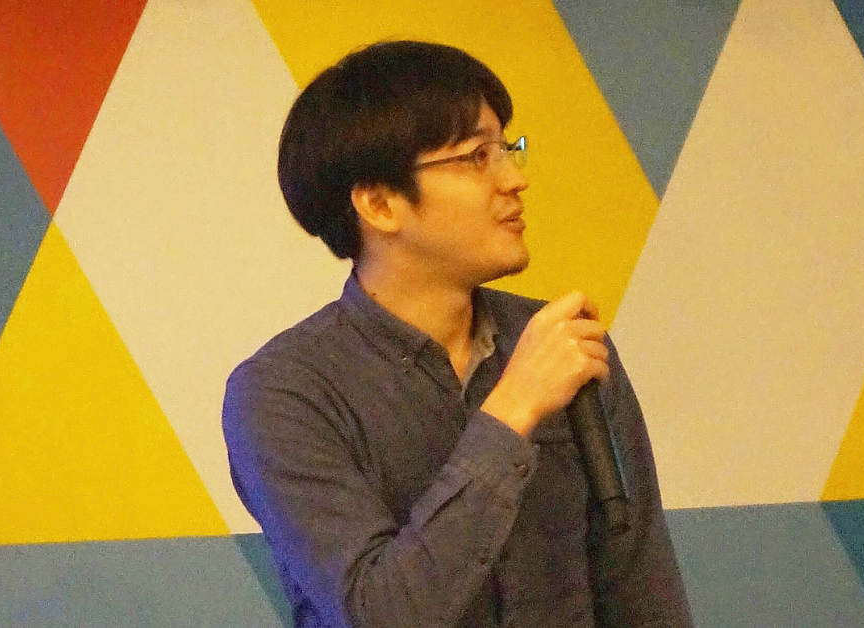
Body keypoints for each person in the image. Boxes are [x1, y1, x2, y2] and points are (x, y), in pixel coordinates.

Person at [222, 40, 693, 628]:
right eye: (476, 157)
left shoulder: (562, 346)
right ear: (380, 204)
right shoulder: (283, 394)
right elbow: (379, 613)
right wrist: (514, 407)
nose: (514, 180)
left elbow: (640, 585)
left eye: (507, 149)